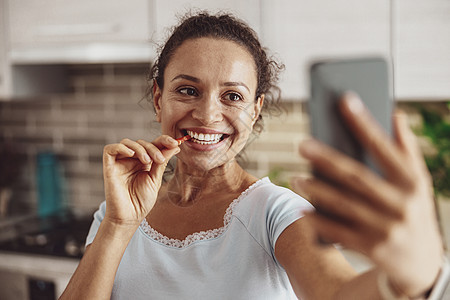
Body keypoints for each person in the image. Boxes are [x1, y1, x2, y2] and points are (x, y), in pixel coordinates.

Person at [61, 12, 446, 299]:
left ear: (256, 110)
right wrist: (117, 225)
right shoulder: (116, 211)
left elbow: (338, 293)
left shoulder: (276, 211)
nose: (208, 114)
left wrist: (420, 275)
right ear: (159, 98)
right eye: (188, 90)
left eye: (233, 96)